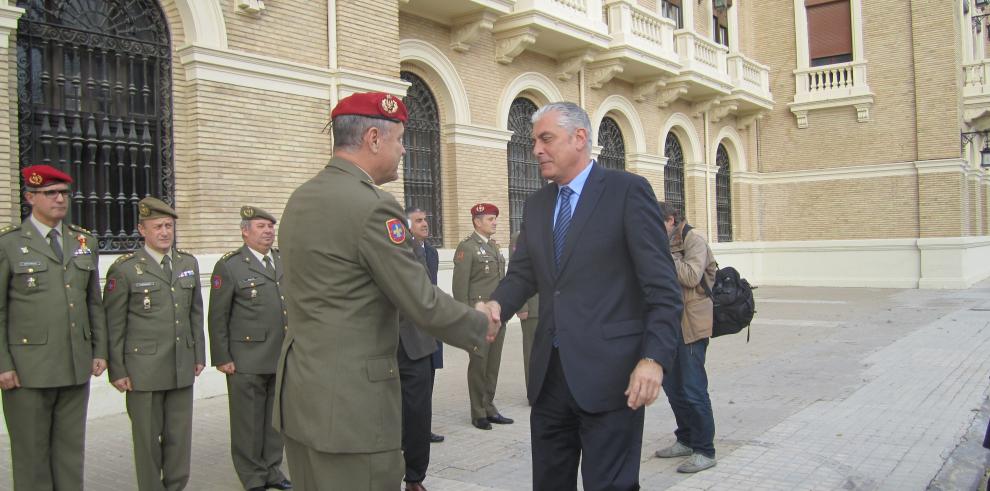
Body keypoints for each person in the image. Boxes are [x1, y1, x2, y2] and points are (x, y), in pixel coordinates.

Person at [274, 91, 499, 491]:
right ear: (373, 138)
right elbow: (420, 300)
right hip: (352, 407)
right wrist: (480, 322)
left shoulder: (300, 197)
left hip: (302, 397)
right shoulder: (374, 206)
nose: (404, 150)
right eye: (399, 139)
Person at [483, 101, 683, 490]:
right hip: (549, 377)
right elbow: (524, 273)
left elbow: (662, 288)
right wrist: (497, 304)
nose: (537, 149)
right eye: (534, 141)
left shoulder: (627, 192)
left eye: (546, 139)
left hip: (612, 378)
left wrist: (654, 358)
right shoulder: (538, 204)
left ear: (579, 138)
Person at [0, 165, 106, 490]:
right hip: (28, 370)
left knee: (70, 453)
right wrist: (3, 364)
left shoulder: (83, 241)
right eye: (51, 193)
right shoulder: (10, 244)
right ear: (31, 197)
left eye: (64, 193)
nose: (60, 199)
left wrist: (99, 350)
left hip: (74, 364)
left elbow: (93, 302)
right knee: (32, 455)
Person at [104, 197, 206, 491]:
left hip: (180, 364)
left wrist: (198, 353)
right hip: (142, 370)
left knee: (179, 436)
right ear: (141, 229)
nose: (164, 232)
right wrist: (117, 370)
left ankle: (175, 485)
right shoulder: (125, 270)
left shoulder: (188, 263)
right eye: (158, 226)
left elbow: (195, 313)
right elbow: (115, 325)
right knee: (148, 439)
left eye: (169, 226)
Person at [208, 206, 292, 491]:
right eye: (261, 226)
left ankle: (273, 470)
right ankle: (253, 477)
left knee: (274, 420)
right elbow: (217, 316)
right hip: (245, 359)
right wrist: (222, 357)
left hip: (278, 355)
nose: (268, 231)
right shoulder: (230, 266)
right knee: (248, 423)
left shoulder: (282, 260)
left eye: (270, 226)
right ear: (245, 231)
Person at [654, 202, 718, 473]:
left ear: (670, 220)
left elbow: (692, 277)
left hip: (691, 326)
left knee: (693, 388)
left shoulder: (694, 240)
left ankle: (705, 449)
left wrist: (665, 253)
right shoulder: (667, 243)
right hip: (669, 327)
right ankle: (686, 438)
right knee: (672, 387)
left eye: (658, 226)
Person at [452, 203, 512, 430]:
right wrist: (465, 318)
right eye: (490, 219)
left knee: (493, 364)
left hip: (497, 316)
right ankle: (478, 412)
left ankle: (489, 406)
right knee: (479, 364)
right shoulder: (467, 247)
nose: (495, 222)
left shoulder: (494, 247)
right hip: (478, 318)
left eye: (495, 218)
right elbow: (460, 288)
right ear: (477, 222)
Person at [404, 207, 445, 445]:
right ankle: (406, 431)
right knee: (412, 385)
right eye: (418, 221)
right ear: (407, 227)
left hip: (431, 326)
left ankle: (423, 428)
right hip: (411, 329)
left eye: (425, 219)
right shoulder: (403, 251)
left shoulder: (431, 252)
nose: (424, 224)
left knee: (428, 378)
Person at [510, 231, 539, 396]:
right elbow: (516, 273)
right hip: (533, 306)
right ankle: (534, 392)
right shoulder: (520, 236)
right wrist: (521, 306)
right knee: (532, 352)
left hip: (553, 305)